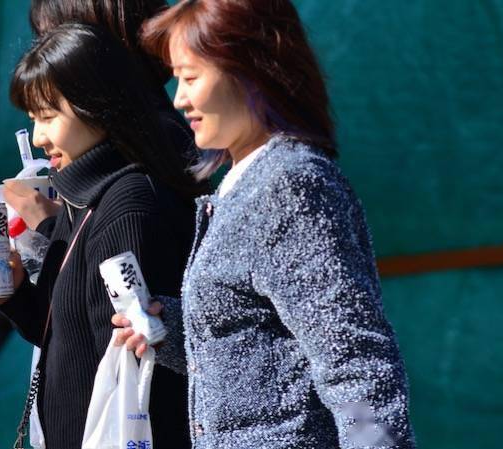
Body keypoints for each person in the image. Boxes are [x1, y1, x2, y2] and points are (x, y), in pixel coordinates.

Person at [113, 0, 417, 447]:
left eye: (191, 77)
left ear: (251, 69)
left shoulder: (289, 185)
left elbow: (352, 356)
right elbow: (263, 345)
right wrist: (171, 331)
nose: (179, 98)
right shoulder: (243, 181)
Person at [0, 24, 205, 448]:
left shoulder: (127, 205)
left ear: (95, 105)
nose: (38, 138)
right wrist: (15, 293)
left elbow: (132, 364)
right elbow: (67, 338)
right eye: (33, 120)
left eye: (47, 117)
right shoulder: (86, 197)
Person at [2, 0, 196, 233]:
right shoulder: (103, 159)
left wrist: (51, 229)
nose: (44, 57)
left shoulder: (132, 188)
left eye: (56, 40)